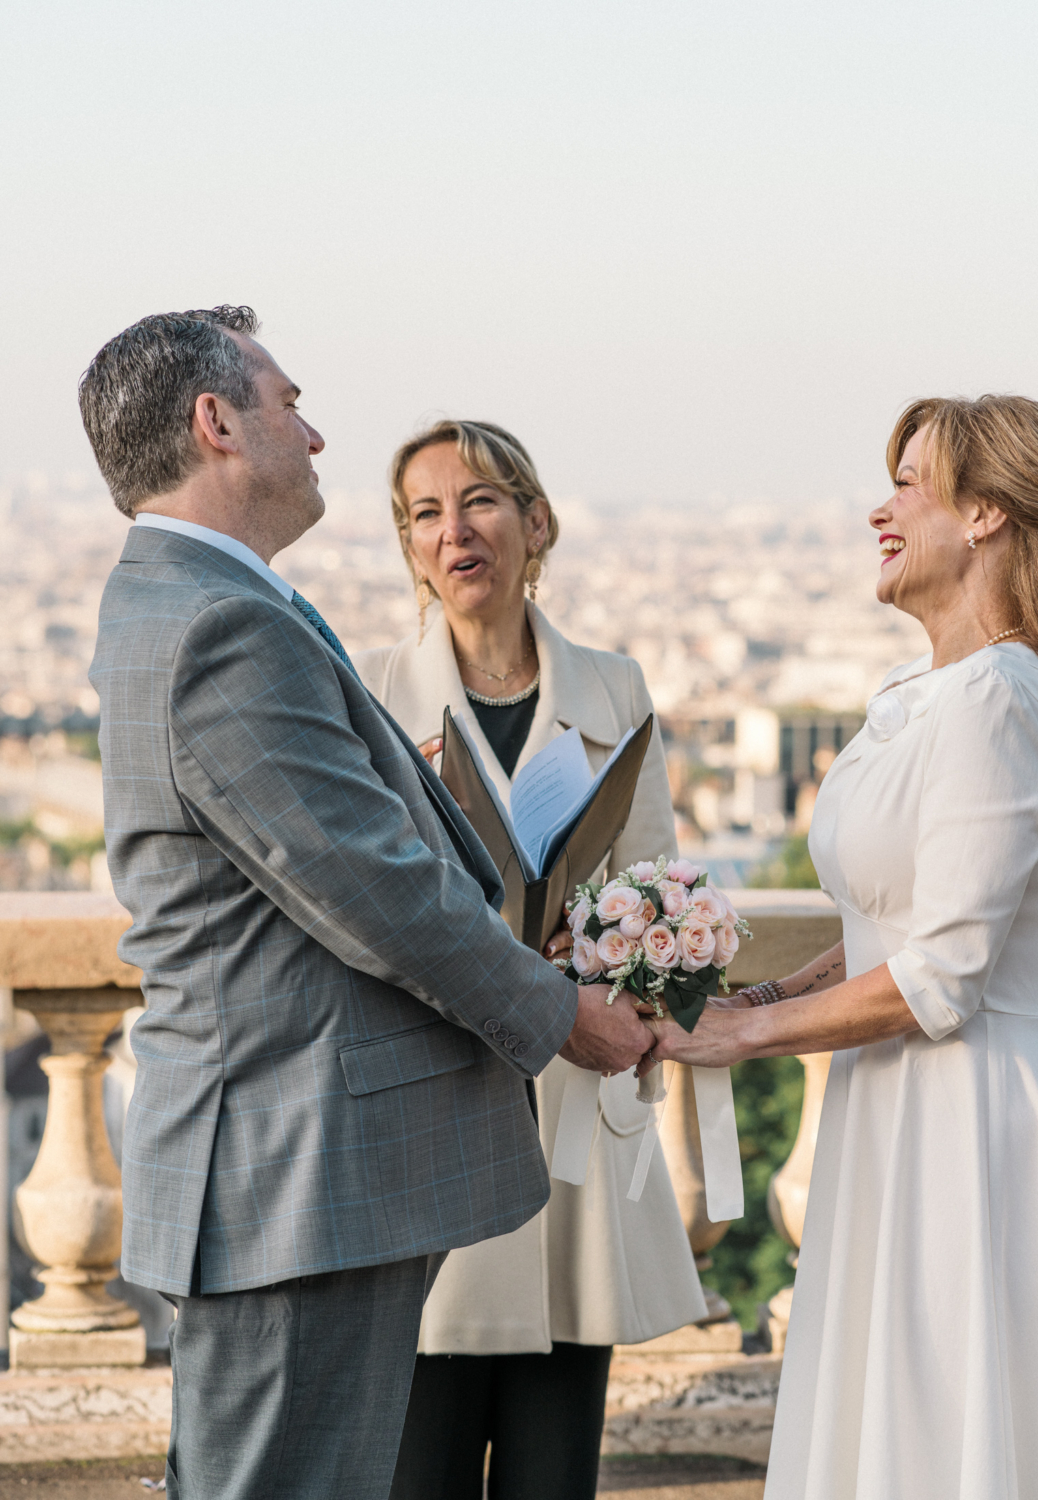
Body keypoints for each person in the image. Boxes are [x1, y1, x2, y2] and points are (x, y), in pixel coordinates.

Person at [80, 309, 653, 1500]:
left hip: (290, 1167)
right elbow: (377, 892)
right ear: (217, 422)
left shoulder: (191, 601)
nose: (318, 433)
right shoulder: (220, 624)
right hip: (295, 1174)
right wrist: (562, 1013)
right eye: (291, 402)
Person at [643, 396, 1038, 1498]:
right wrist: (756, 992)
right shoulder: (925, 694)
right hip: (890, 1103)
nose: (881, 506)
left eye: (910, 481)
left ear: (986, 514)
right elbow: (892, 924)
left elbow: (946, 973)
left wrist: (743, 1036)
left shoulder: (1002, 697)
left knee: (947, 1423)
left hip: (963, 1119)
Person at [354, 419, 706, 1500]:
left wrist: (602, 948)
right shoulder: (365, 696)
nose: (454, 529)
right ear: (411, 548)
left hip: (569, 1111)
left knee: (556, 1472)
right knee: (422, 1466)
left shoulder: (616, 688)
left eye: (481, 502)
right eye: (426, 512)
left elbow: (658, 897)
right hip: (431, 1116)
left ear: (535, 523)